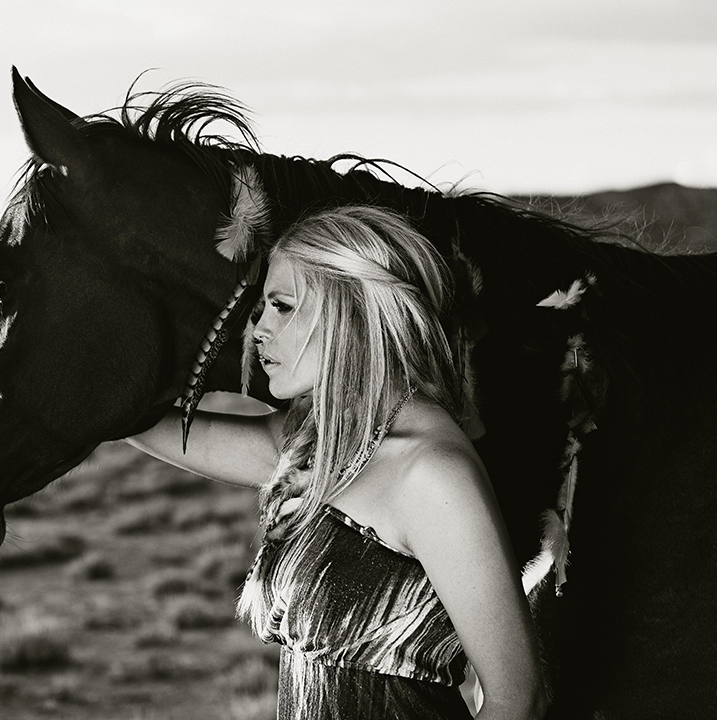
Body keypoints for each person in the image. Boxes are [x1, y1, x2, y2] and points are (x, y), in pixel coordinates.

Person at [126, 206, 545, 719]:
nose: (258, 330)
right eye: (262, 309)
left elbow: (516, 698)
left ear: (353, 312)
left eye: (282, 307)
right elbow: (144, 425)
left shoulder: (431, 474)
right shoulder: (321, 443)